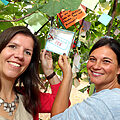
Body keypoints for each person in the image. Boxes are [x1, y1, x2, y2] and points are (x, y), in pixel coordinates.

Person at [0, 26, 65, 120]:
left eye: (27, 52)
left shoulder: (28, 97)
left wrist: (49, 72)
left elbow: (61, 102)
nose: (20, 55)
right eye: (12, 46)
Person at [50, 37, 120, 120]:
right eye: (92, 59)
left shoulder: (103, 102)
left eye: (106, 61)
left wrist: (67, 75)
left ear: (119, 69)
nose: (96, 66)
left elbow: (57, 118)